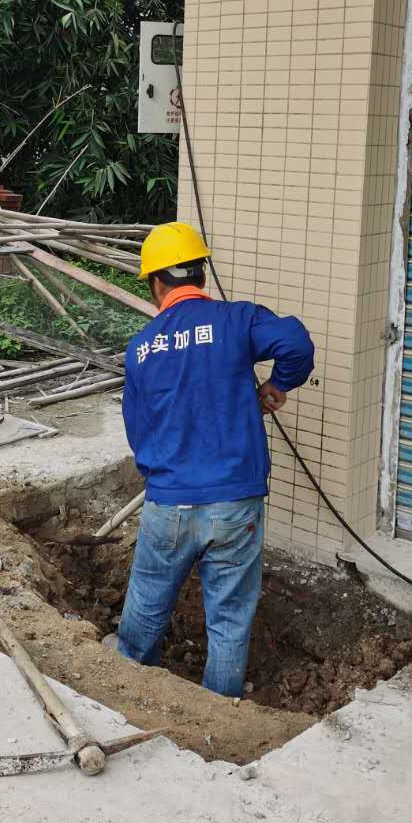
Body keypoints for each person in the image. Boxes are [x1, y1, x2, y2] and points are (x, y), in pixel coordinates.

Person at [117, 221, 314, 698]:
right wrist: (277, 385)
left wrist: (164, 475)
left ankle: (127, 687)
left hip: (170, 503)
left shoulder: (142, 348)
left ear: (156, 282)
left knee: (146, 606)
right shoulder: (237, 320)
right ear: (201, 275)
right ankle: (218, 709)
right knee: (229, 616)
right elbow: (296, 344)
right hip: (235, 503)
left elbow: (137, 432)